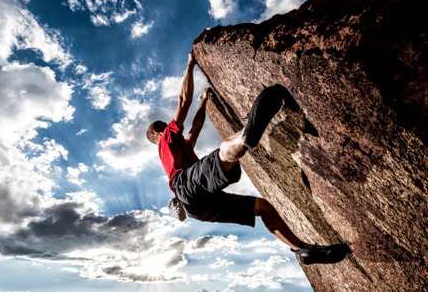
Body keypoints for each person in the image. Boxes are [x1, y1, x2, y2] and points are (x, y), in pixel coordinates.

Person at [146, 52, 348, 265]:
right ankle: (243, 138)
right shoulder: (165, 137)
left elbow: (194, 131)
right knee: (223, 152)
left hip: (198, 206)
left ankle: (302, 250)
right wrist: (189, 66)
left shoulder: (178, 148)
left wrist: (203, 103)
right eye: (164, 127)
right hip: (185, 186)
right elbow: (183, 101)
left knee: (263, 207)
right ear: (159, 132)